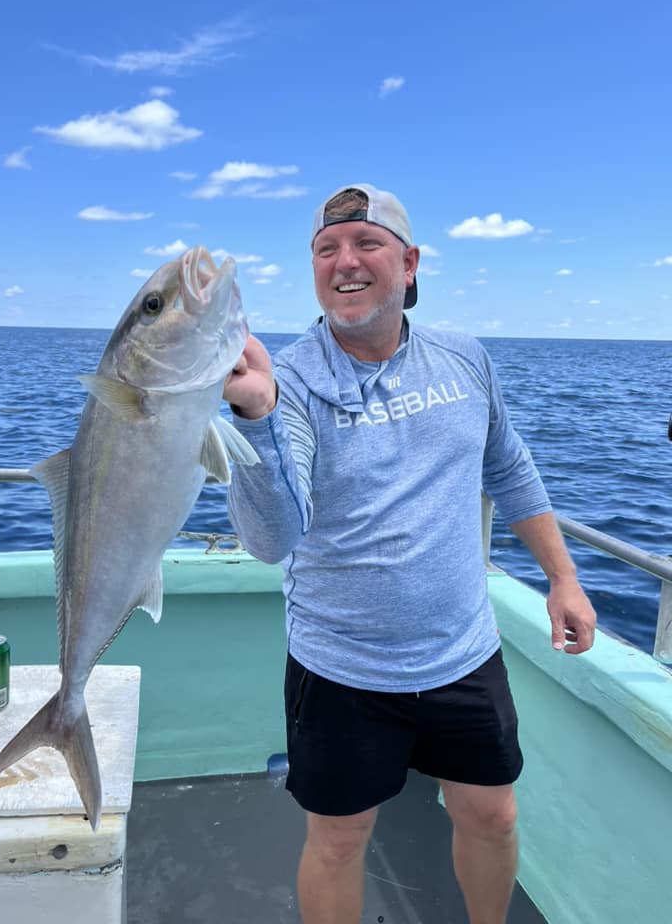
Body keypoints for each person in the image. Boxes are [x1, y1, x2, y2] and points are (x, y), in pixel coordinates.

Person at [223, 183, 596, 924]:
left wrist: (563, 577)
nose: (345, 262)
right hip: (341, 666)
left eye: (366, 244)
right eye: (326, 250)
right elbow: (269, 542)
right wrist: (256, 418)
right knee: (337, 840)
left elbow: (509, 466)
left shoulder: (463, 357)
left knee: (493, 817)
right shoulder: (287, 379)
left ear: (411, 263)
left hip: (464, 652)